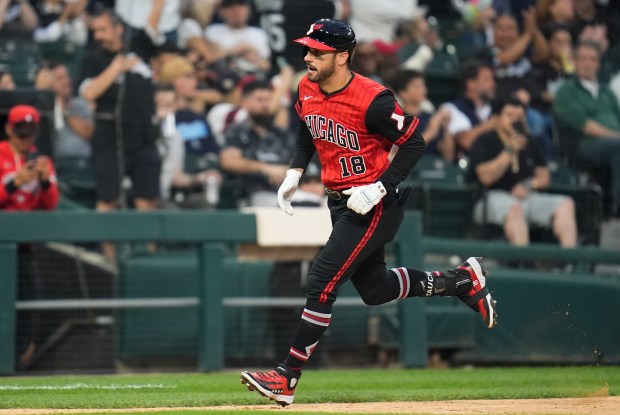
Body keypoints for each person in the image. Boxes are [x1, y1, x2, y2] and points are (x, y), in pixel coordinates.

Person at [240, 18, 498, 407]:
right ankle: (460, 281)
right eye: (307, 49)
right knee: (375, 290)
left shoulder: (373, 99)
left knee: (321, 280)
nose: (308, 56)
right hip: (338, 199)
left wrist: (380, 186)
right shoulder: (306, 86)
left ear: (342, 56)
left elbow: (415, 142)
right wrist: (295, 170)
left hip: (374, 202)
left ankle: (287, 376)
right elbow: (307, 128)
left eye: (317, 51)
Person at [79, 9, 161, 259]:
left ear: (118, 29)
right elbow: (88, 93)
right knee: (109, 198)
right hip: (110, 138)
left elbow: (154, 20)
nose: (98, 35)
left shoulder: (140, 49)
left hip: (144, 137)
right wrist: (116, 68)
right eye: (95, 31)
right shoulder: (92, 58)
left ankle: (146, 257)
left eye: (103, 29)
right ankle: (109, 259)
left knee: (147, 200)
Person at [469, 98, 577, 247]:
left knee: (566, 204)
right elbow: (485, 178)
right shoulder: (485, 140)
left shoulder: (529, 141)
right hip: (492, 197)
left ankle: (570, 263)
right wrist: (509, 151)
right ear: (498, 118)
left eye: (519, 117)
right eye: (510, 115)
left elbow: (545, 177)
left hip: (526, 197)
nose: (515, 121)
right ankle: (523, 263)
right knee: (514, 209)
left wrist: (529, 185)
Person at [0, 104, 59, 369]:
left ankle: (19, 359)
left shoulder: (40, 160)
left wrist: (44, 181)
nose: (26, 140)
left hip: (26, 248)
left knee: (28, 304)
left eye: (30, 134)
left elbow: (50, 205)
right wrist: (14, 182)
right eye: (21, 134)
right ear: (9, 130)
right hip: (2, 245)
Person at [553, 40, 620, 217]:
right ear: (574, 62)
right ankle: (617, 209)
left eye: (592, 59)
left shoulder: (607, 92)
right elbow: (586, 126)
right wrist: (617, 136)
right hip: (585, 146)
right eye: (582, 59)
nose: (587, 63)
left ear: (598, 64)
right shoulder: (566, 91)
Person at [219, 79, 295, 207]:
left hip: (288, 191)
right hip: (252, 193)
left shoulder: (282, 134)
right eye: (260, 100)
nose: (265, 105)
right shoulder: (237, 130)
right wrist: (265, 168)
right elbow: (228, 161)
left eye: (268, 100)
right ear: (246, 102)